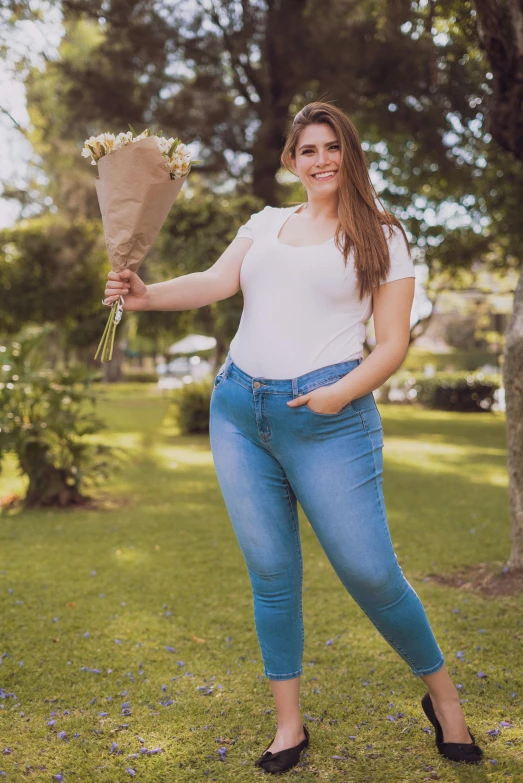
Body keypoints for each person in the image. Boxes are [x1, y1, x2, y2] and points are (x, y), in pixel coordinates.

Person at [103, 101, 484, 772]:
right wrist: (144, 293)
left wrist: (340, 391)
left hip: (331, 414)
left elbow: (391, 343)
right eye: (307, 149)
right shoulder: (266, 223)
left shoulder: (383, 234)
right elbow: (218, 282)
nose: (320, 159)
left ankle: (445, 703)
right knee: (272, 574)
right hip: (239, 411)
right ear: (290, 160)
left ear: (349, 153)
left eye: (331, 146)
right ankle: (288, 726)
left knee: (371, 572)